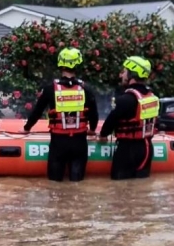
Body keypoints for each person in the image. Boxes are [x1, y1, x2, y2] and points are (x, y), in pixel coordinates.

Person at [23, 48, 99, 182]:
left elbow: (37, 112)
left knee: (54, 185)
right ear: (77, 64)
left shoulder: (50, 89)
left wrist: (26, 128)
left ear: (60, 63)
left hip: (58, 142)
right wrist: (92, 129)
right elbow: (94, 114)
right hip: (79, 142)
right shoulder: (86, 89)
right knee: (77, 184)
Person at [99, 56, 160, 180]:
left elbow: (111, 121)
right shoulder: (152, 97)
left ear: (132, 74)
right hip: (147, 149)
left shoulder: (126, 99)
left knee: (119, 190)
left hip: (128, 150)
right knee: (140, 190)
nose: (122, 75)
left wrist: (103, 135)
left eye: (125, 72)